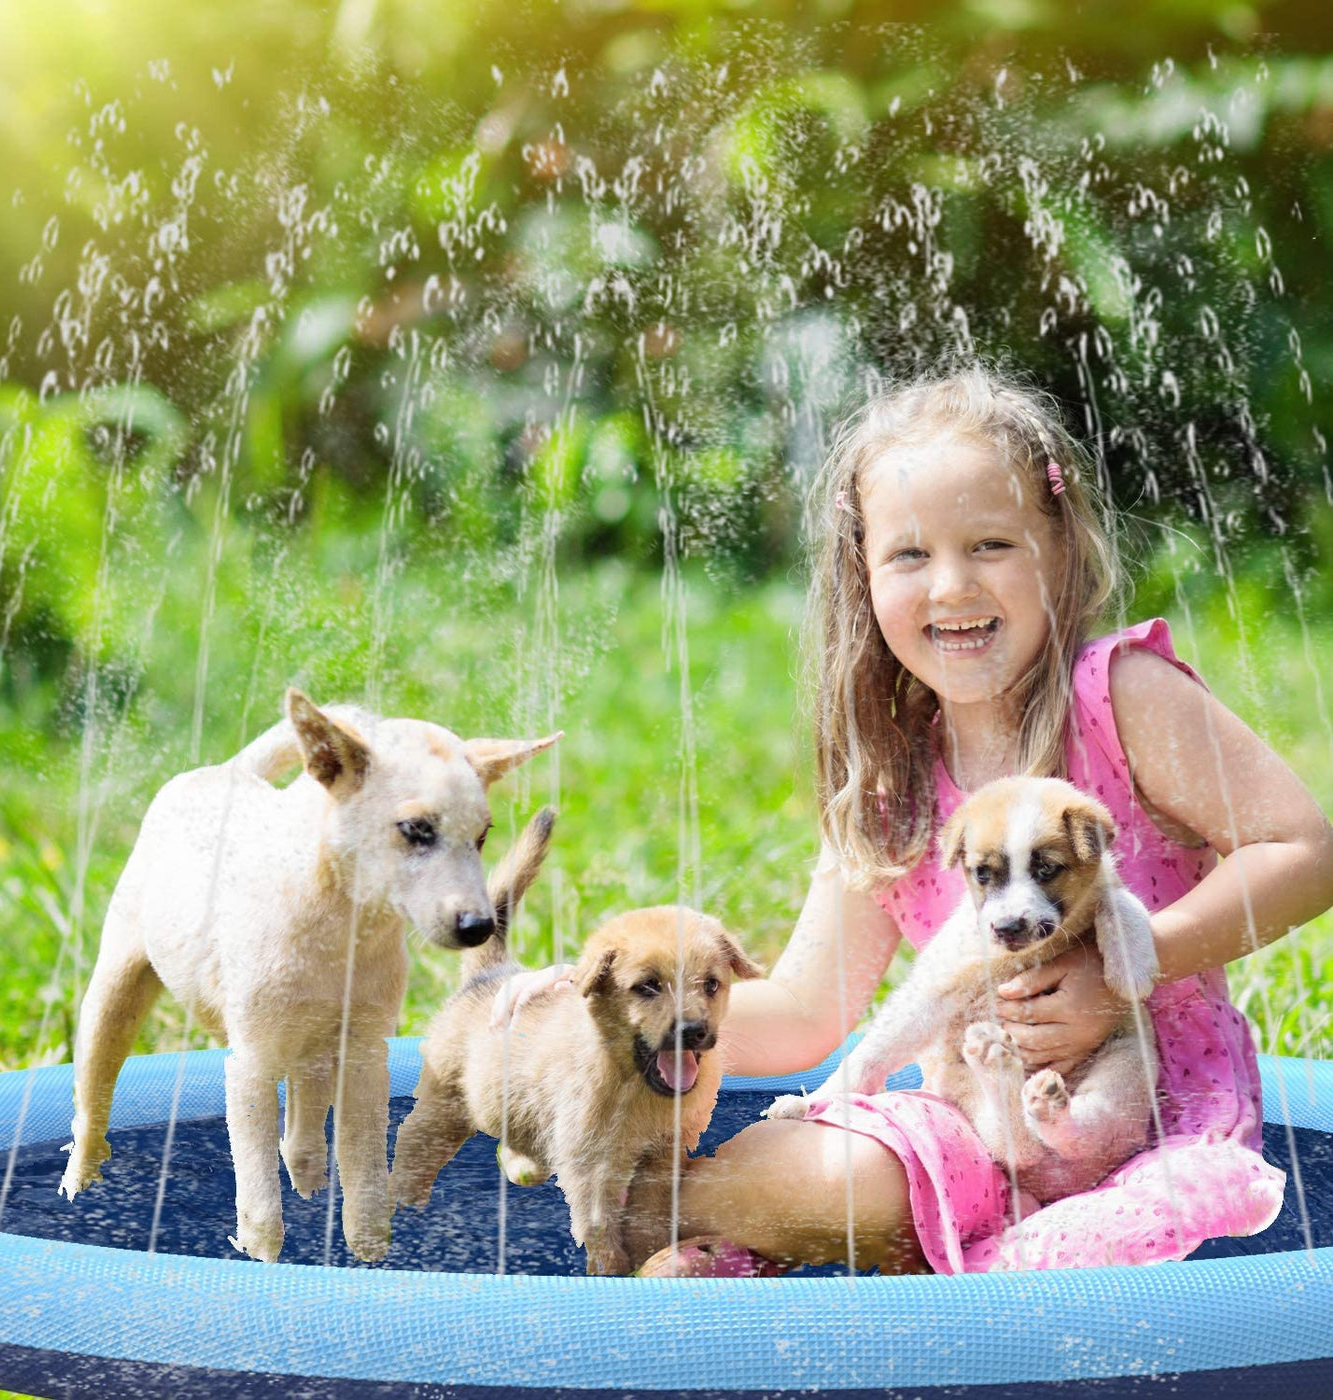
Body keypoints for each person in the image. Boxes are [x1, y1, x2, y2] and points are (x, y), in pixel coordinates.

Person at [492, 366, 1333, 1276]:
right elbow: (812, 1011)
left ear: (1061, 548)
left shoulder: (1118, 699)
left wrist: (1130, 963)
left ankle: (759, 1247)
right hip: (973, 1124)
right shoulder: (890, 778)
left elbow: (1306, 849)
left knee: (1111, 1235)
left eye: (991, 545)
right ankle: (667, 1219)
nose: (951, 587)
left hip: (1151, 1115)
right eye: (909, 556)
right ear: (862, 577)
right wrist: (625, 1009)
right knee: (828, 1167)